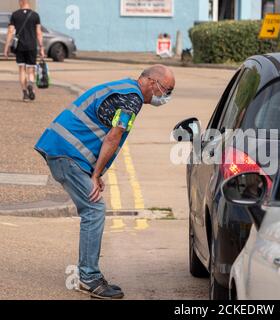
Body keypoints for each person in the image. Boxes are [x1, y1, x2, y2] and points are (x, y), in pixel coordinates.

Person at [34, 65, 175, 299]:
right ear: (152, 82)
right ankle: (89, 278)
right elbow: (113, 136)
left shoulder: (125, 88)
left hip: (62, 150)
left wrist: (95, 172)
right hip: (65, 153)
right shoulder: (132, 99)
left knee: (93, 207)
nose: (165, 97)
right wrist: (96, 174)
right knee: (94, 208)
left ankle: (88, 275)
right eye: (167, 90)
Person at [3, 0, 45, 102]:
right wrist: (41, 47)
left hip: (20, 47)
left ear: (21, 1)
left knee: (22, 69)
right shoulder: (35, 15)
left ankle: (25, 94)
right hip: (31, 46)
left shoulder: (15, 15)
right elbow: (39, 33)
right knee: (31, 70)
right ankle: (30, 84)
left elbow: (10, 31)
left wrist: (7, 47)